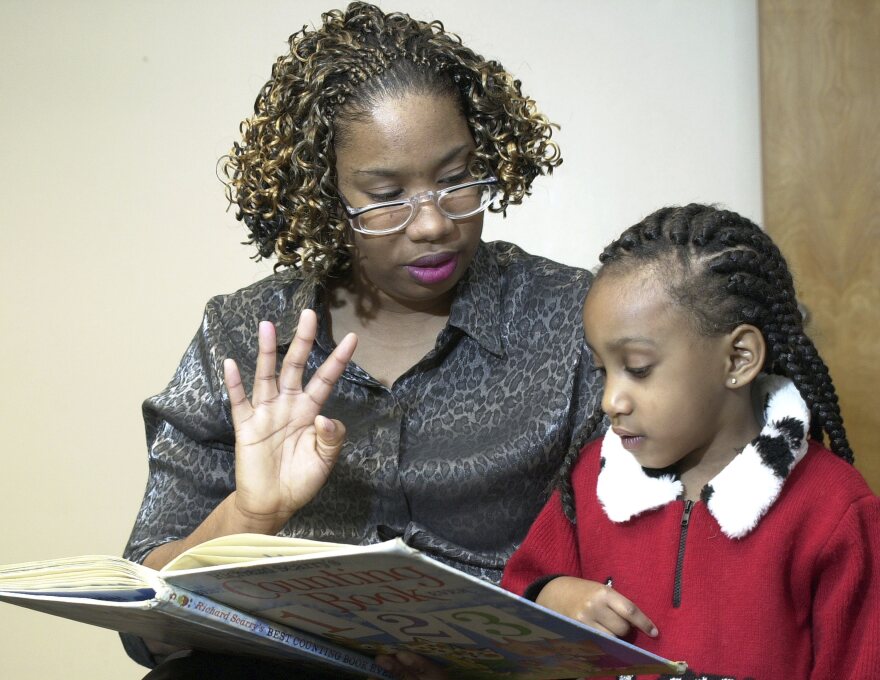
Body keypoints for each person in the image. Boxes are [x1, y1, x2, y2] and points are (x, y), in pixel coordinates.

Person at [122, 2, 603, 676]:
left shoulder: (577, 321)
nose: (433, 223)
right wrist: (249, 513)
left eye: (456, 178)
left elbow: (646, 578)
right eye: (385, 194)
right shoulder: (241, 333)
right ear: (321, 194)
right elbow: (147, 622)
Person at [501, 204, 880, 679]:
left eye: (637, 369)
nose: (610, 400)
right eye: (603, 371)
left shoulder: (835, 510)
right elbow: (517, 596)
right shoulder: (593, 478)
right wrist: (551, 596)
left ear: (739, 358)